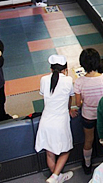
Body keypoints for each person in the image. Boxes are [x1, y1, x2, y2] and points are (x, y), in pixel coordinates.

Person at [35, 55, 75, 183]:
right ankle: (55, 176)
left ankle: (57, 176)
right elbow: (70, 99)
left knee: (49, 152)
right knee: (66, 150)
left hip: (45, 121)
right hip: (60, 122)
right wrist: (69, 109)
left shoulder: (44, 80)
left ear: (51, 69)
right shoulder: (68, 80)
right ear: (65, 69)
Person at [72, 48, 103, 175]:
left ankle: (87, 165)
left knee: (88, 140)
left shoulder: (79, 81)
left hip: (87, 116)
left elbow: (77, 103)